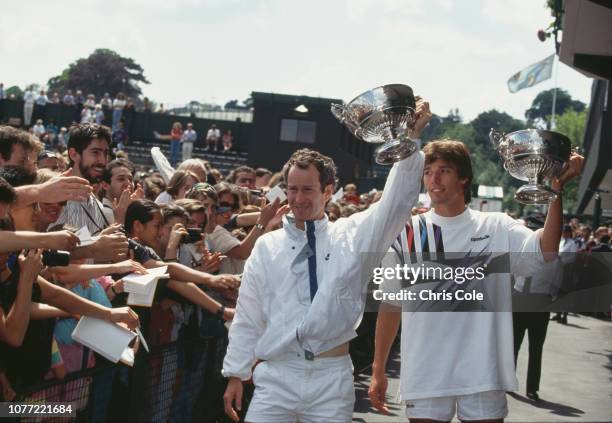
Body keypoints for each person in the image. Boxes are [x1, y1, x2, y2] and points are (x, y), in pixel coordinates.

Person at [222, 100, 430, 422]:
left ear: (328, 190)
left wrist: (410, 142)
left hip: (331, 379)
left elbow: (396, 204)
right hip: (277, 377)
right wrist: (236, 372)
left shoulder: (353, 235)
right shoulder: (266, 247)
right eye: (292, 190)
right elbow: (248, 315)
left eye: (308, 190)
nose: (298, 199)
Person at [369, 140, 583, 422]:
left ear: (463, 177)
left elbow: (547, 251)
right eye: (428, 171)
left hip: (483, 370)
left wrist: (555, 192)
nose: (433, 178)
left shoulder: (496, 225)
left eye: (444, 170)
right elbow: (391, 304)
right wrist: (378, 369)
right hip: (426, 369)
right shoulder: (408, 232)